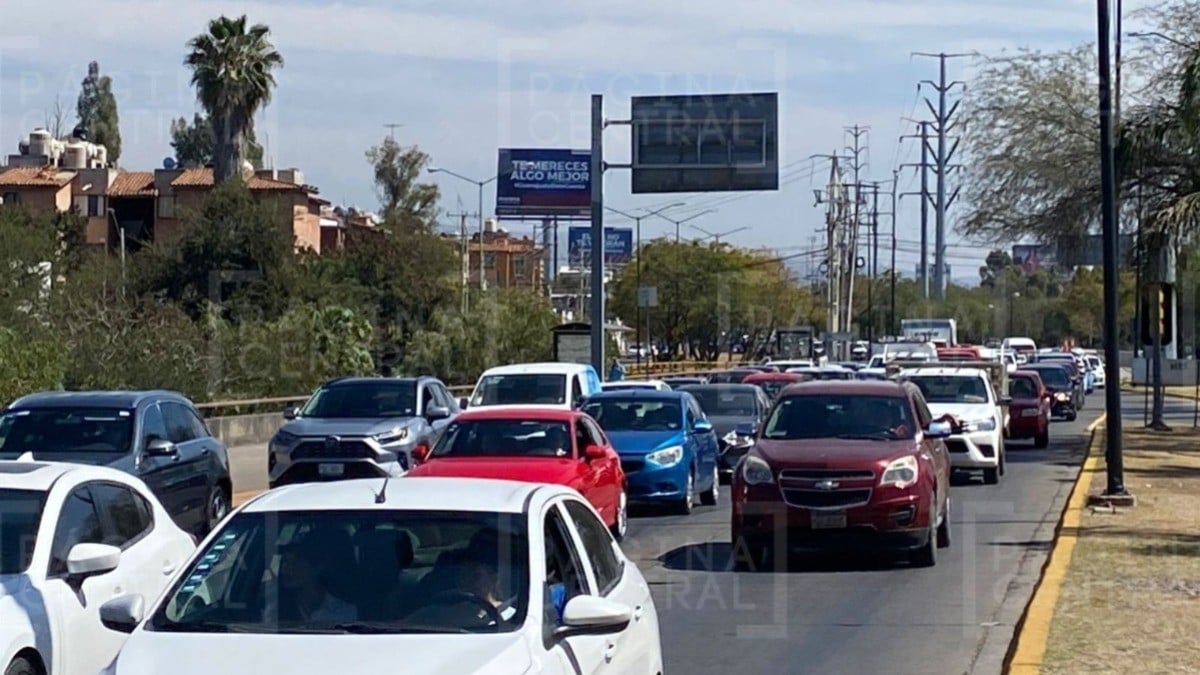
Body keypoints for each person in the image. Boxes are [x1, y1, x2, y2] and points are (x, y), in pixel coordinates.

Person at [264, 532, 357, 625]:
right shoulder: (274, 610)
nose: (287, 568)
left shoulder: (345, 613)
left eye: (297, 561)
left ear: (317, 567)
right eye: (285, 561)